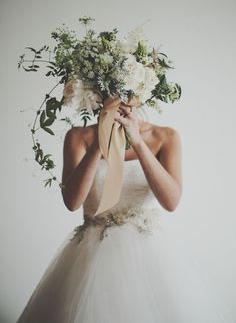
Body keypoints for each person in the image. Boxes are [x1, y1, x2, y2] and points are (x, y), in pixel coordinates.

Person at [17, 102, 233, 323]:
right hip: (90, 255)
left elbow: (171, 202)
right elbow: (72, 202)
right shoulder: (78, 136)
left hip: (148, 255)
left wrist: (137, 141)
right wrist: (100, 142)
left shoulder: (166, 136)